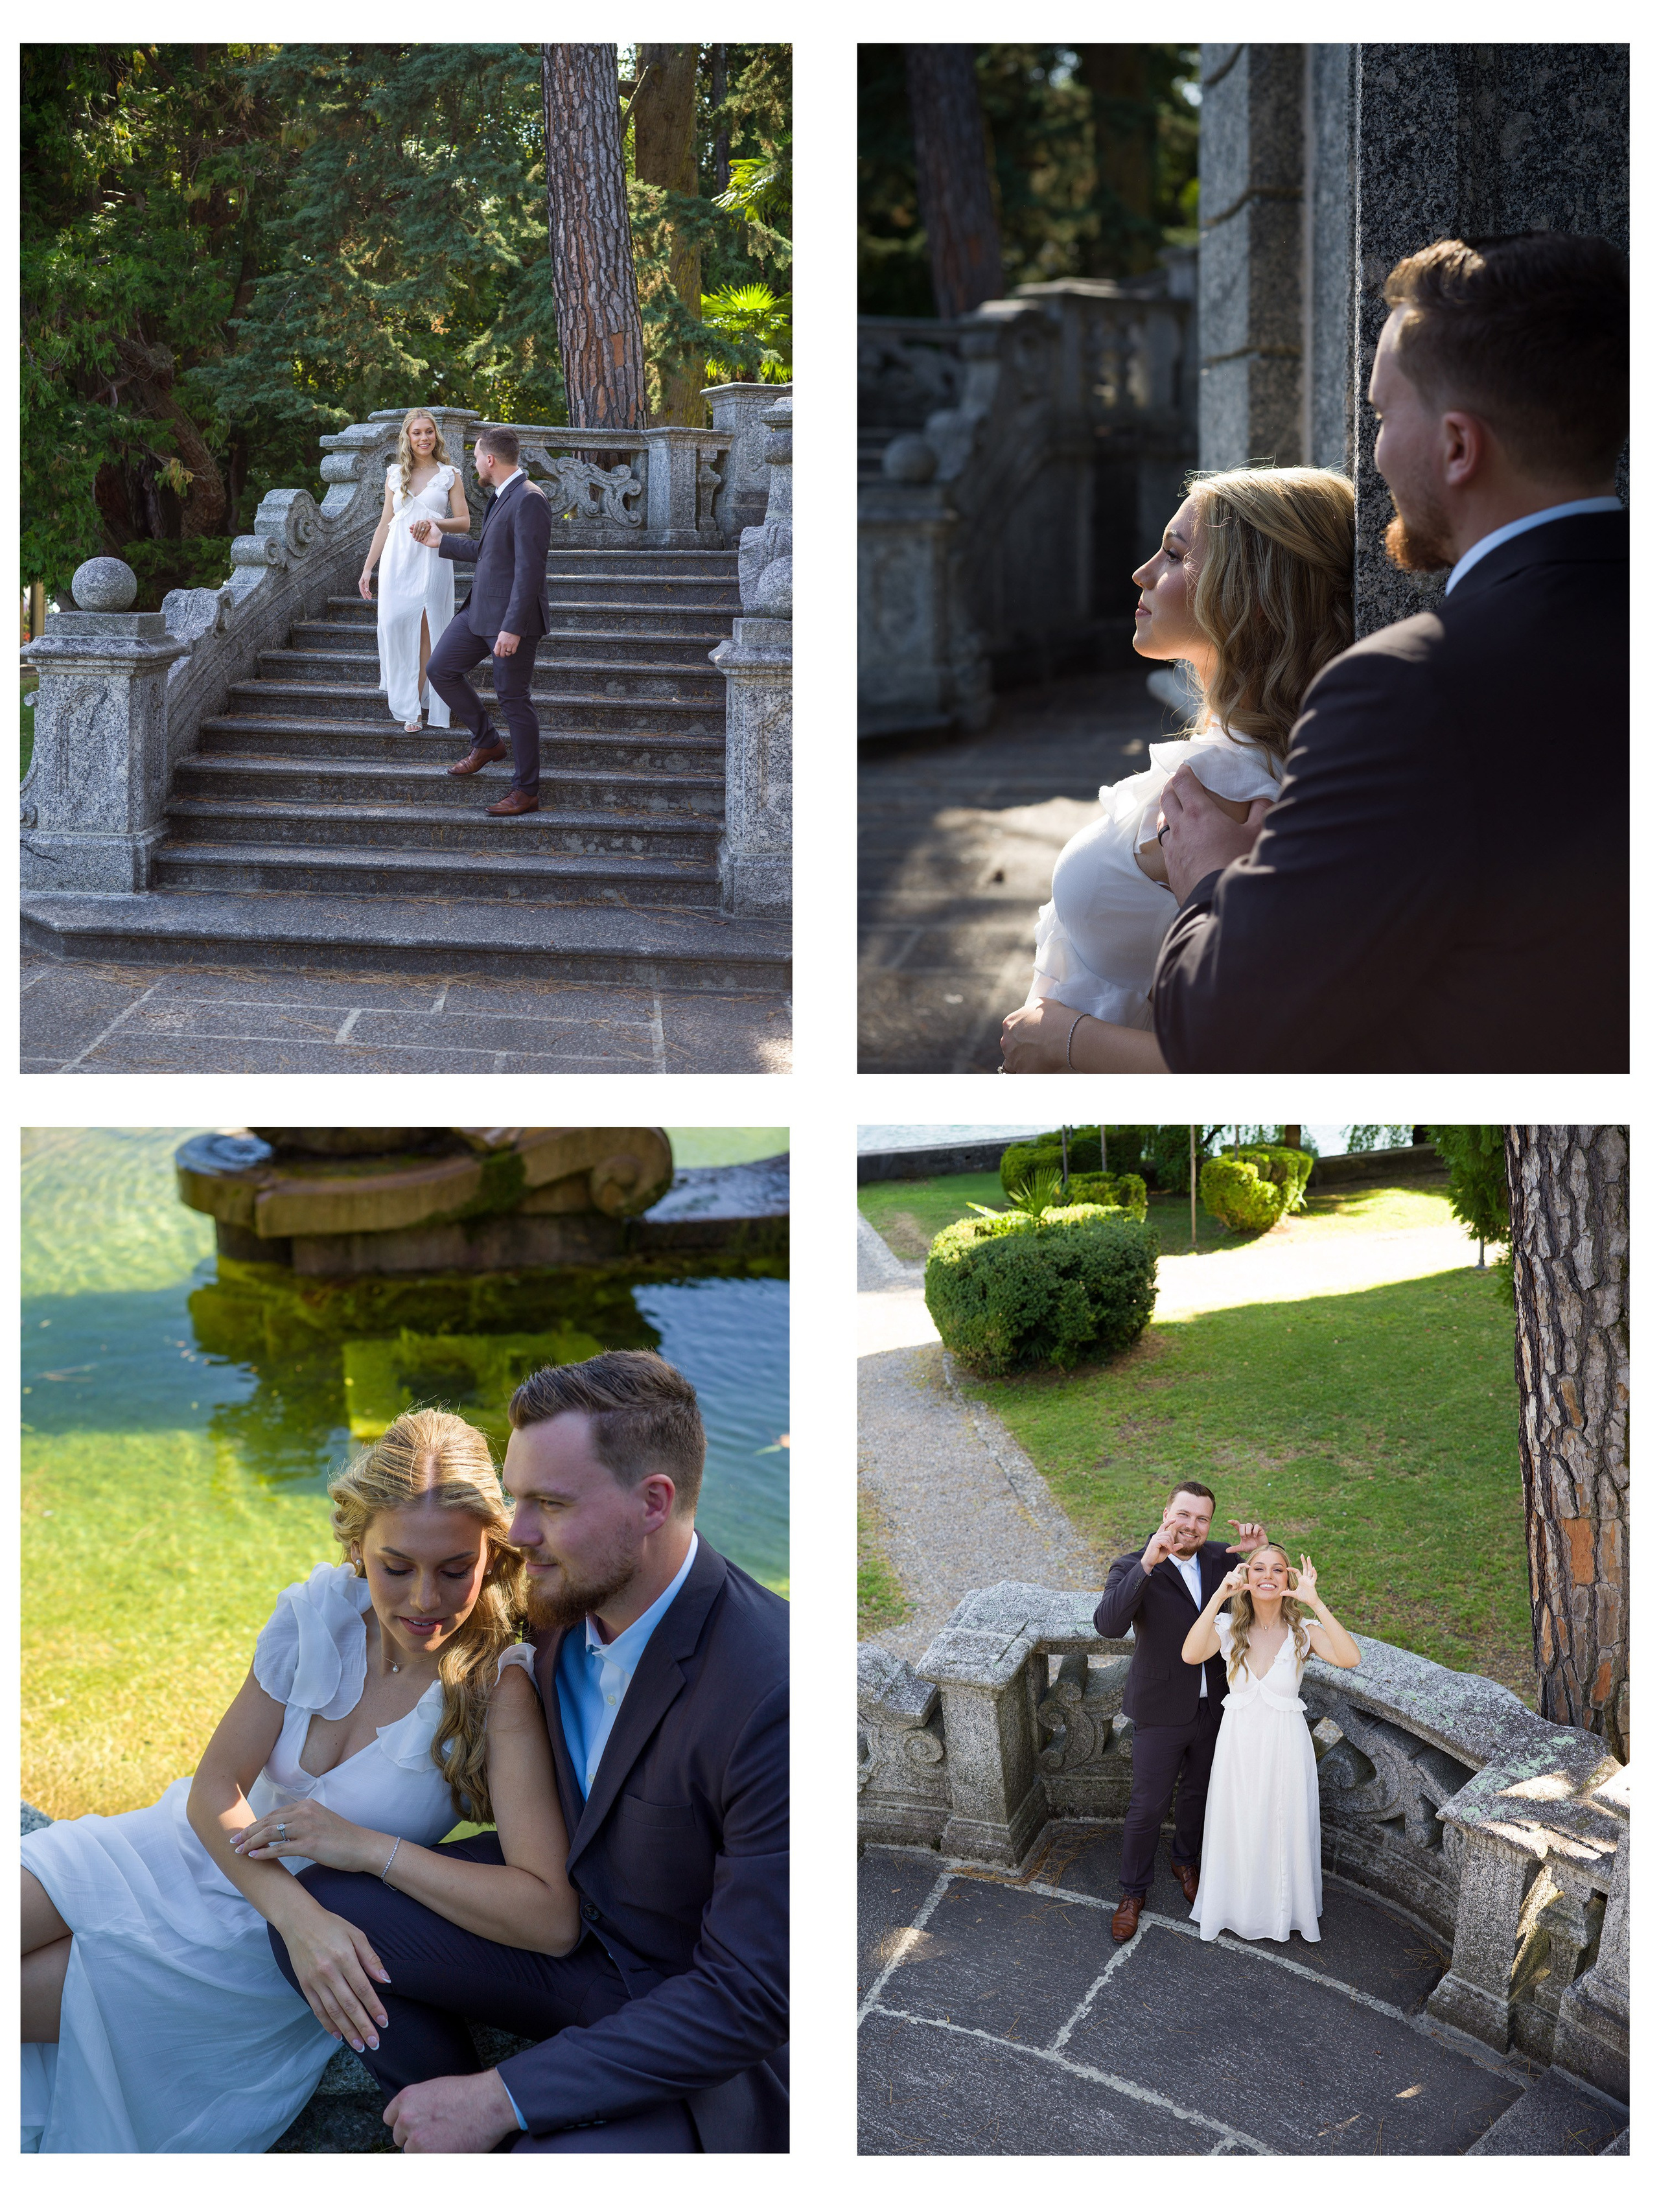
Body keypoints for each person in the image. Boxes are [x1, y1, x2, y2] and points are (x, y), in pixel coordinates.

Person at [268, 1349, 789, 2153]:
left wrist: (503, 2095)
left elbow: (749, 1996)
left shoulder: (774, 1689)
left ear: (653, 1502)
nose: (514, 1532)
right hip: (573, 1953)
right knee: (321, 1915)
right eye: (516, 1496)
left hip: (695, 2032)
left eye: (547, 1501)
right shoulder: (557, 1609)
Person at [20, 1410, 566, 2153]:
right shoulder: (318, 1612)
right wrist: (299, 1921)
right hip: (186, 1853)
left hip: (235, 1948)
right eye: (395, 1565)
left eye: (454, 1569)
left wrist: (363, 1852)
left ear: (492, 1554)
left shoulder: (498, 1689)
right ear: (356, 1544)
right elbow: (215, 1783)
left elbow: (548, 1915)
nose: (423, 1600)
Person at [1151, 230, 1629, 1071]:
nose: (1373, 453)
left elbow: (1223, 1031)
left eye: (1380, 414)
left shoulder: (1406, 689)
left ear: (1456, 446)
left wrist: (1210, 879)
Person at [998, 467, 1354, 1073]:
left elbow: (1250, 1057)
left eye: (1173, 554)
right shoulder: (1229, 761)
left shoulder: (1227, 794)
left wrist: (1064, 1037)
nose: (1142, 573)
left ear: (1250, 594)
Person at [1091, 1483, 1268, 1944]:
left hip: (1217, 1705)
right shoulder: (1134, 1564)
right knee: (1147, 1806)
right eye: (1184, 1514)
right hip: (1160, 1708)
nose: (1191, 1526)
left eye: (1202, 1519)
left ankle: (1186, 1860)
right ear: (1166, 1512)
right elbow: (1108, 1625)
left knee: (1199, 1792)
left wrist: (1261, 1550)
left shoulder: (1220, 1558)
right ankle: (1132, 1892)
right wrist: (1150, 1562)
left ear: (1210, 1523)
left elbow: (1270, 1596)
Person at [1179, 1544, 1360, 1942]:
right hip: (1238, 1747)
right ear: (1245, 1577)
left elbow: (1350, 1658)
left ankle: (1280, 1911)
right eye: (1258, 1568)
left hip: (1285, 1747)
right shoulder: (1230, 1629)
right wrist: (1218, 1598)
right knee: (1238, 1823)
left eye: (1277, 1569)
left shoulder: (1303, 1632)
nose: (1268, 1575)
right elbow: (1191, 1654)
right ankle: (1236, 1906)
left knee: (1282, 1825)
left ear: (1288, 1580)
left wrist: (1316, 1603)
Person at [411, 425, 553, 817]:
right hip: (479, 610)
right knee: (440, 669)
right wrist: (442, 543)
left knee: (513, 700)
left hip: (510, 618)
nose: (474, 463)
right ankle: (487, 741)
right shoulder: (502, 497)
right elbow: (492, 553)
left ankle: (526, 791)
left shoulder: (529, 499)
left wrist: (513, 627)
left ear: (490, 460)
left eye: (476, 456)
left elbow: (529, 571)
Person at [360, 409, 474, 732]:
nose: (424, 438)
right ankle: (406, 694)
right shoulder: (395, 475)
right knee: (395, 624)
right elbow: (385, 523)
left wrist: (434, 522)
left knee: (427, 630)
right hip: (397, 559)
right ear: (407, 438)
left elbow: (464, 522)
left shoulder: (449, 474)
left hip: (432, 558)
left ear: (436, 435)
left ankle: (416, 708)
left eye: (429, 432)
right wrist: (368, 569)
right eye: (417, 433)